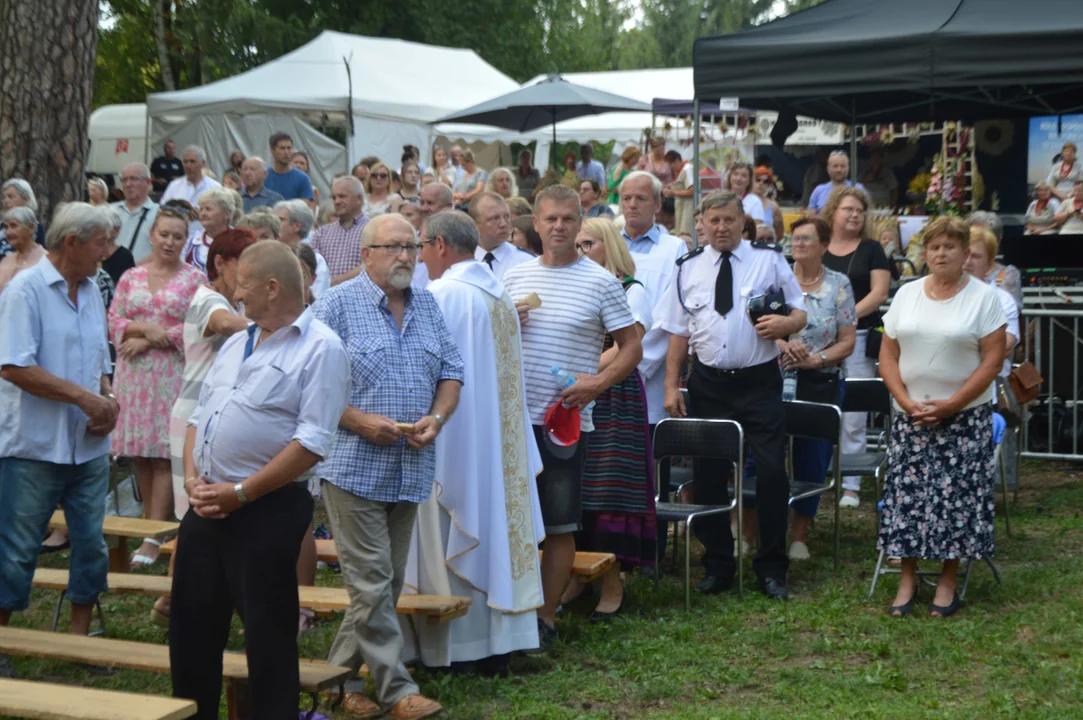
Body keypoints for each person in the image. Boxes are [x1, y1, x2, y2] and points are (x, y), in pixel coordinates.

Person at [170, 240, 349, 719]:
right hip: (207, 503)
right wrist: (192, 479)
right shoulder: (235, 341)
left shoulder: (321, 348)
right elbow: (197, 418)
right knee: (191, 629)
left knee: (268, 635)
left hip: (266, 507)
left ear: (272, 288)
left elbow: (312, 443)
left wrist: (241, 493)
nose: (234, 293)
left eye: (242, 284)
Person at [312, 213, 463, 720]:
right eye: (393, 247)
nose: (405, 256)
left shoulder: (427, 306)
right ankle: (397, 691)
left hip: (410, 463)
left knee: (385, 584)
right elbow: (308, 386)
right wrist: (357, 422)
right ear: (365, 253)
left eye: (412, 247)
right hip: (352, 466)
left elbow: (451, 372)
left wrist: (437, 419)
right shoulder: (335, 305)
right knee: (373, 582)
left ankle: (336, 682)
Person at [403, 210, 544, 676]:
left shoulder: (441, 295)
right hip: (494, 440)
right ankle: (496, 644)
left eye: (422, 246)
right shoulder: (496, 291)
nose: (421, 256)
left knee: (452, 530)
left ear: (441, 245)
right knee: (495, 528)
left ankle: (458, 648)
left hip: (454, 439)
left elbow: (420, 370)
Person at [501, 185, 642, 644]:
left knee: (560, 524)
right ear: (535, 224)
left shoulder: (601, 281)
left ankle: (544, 618)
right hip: (513, 422)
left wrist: (597, 385)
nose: (559, 226)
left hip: (565, 421)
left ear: (580, 224)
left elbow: (632, 347)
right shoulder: (512, 278)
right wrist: (502, 326)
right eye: (550, 219)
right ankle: (510, 614)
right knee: (514, 523)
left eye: (568, 219)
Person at [656, 190, 807, 600]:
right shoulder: (687, 267)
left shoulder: (769, 259)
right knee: (706, 477)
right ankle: (719, 563)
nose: (721, 228)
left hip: (759, 382)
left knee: (773, 473)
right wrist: (672, 385)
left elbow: (800, 311)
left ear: (743, 221)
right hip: (708, 384)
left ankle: (772, 568)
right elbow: (677, 331)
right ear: (701, 223)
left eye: (728, 220)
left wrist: (784, 325)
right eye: (713, 220)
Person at [0, 203, 118, 679]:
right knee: (16, 550)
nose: (107, 253)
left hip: (87, 447)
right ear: (71, 242)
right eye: (100, 244)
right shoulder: (24, 290)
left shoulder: (91, 290)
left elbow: (100, 357)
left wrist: (107, 399)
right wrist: (86, 400)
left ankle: (80, 647)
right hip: (34, 446)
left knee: (91, 546)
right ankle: (2, 645)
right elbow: (13, 365)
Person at [877, 215, 1006, 618]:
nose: (941, 253)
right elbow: (887, 355)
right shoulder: (906, 294)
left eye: (950, 246)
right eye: (934, 247)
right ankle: (907, 579)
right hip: (910, 416)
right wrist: (905, 400)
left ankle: (948, 580)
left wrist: (951, 405)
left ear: (966, 253)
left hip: (964, 417)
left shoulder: (985, 298)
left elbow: (992, 361)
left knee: (955, 501)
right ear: (925, 253)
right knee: (909, 501)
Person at [151, 226, 254, 627]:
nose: (248, 274)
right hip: (195, 415)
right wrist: (282, 322)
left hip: (218, 419)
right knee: (196, 516)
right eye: (243, 264)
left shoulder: (236, 302)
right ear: (221, 263)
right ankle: (175, 600)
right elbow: (225, 324)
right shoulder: (208, 298)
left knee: (208, 515)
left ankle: (179, 601)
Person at [563, 217, 655, 618]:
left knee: (609, 487)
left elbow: (624, 348)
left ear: (610, 246)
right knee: (575, 485)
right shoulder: (574, 287)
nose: (580, 250)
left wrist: (583, 372)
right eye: (578, 244)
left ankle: (612, 581)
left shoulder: (633, 291)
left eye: (588, 243)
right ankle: (574, 576)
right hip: (575, 391)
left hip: (615, 394)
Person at [108, 208, 205, 568]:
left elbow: (198, 327)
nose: (170, 241)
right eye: (164, 234)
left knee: (164, 453)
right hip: (133, 375)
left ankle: (152, 537)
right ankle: (154, 527)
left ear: (186, 240)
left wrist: (151, 339)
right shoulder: (131, 276)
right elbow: (114, 318)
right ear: (152, 235)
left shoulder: (195, 280)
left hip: (170, 372)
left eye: (177, 236)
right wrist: (142, 331)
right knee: (142, 454)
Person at [775, 217, 856, 560]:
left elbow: (847, 340)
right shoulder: (776, 281)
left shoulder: (839, 285)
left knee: (812, 457)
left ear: (824, 245)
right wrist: (782, 345)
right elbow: (757, 325)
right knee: (758, 456)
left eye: (808, 239)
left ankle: (799, 536)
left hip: (820, 380)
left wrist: (816, 359)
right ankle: (749, 531)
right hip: (773, 379)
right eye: (795, 238)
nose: (800, 244)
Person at [820, 186, 890, 507]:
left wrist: (843, 319)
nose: (854, 215)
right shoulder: (819, 248)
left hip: (859, 338)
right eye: (848, 209)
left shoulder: (872, 249)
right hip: (819, 341)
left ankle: (851, 484)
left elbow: (879, 293)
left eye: (860, 211)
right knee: (818, 408)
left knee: (855, 416)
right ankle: (816, 477)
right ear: (832, 212)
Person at [618, 171, 688, 443]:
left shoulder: (674, 248)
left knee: (649, 457)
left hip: (650, 369)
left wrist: (636, 359)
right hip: (606, 368)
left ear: (657, 205)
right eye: (627, 198)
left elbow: (671, 311)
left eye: (641, 198)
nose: (632, 204)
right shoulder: (608, 243)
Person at [964, 226, 1021, 492]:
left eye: (975, 256)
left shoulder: (1002, 299)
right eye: (964, 253)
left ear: (989, 264)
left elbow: (1004, 347)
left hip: (988, 387)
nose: (967, 261)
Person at [310, 176, 369, 285]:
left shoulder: (373, 229)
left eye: (342, 196)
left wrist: (335, 283)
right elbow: (311, 267)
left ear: (359, 199)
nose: (337, 201)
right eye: (334, 197)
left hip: (359, 297)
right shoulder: (322, 232)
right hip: (326, 297)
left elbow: (372, 264)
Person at [966, 211, 1023, 309]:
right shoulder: (958, 266)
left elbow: (1011, 310)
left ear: (997, 242)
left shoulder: (1008, 274)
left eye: (984, 236)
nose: (977, 240)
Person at [470, 192, 532, 282]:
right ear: (474, 224)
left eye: (507, 217)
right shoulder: (460, 262)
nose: (503, 224)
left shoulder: (526, 262)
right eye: (495, 218)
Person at [276, 199, 331, 300]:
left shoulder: (316, 259)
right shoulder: (273, 255)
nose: (275, 224)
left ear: (297, 226)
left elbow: (317, 297)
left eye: (281, 219)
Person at [112, 163, 160, 262]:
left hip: (143, 274)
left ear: (148, 182)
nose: (128, 184)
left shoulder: (159, 214)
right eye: (124, 180)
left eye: (134, 179)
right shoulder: (110, 211)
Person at [181, 188, 236, 275]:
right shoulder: (190, 242)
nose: (203, 213)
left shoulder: (238, 240)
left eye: (208, 209)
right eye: (201, 209)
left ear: (226, 214)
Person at [0, 207, 47, 294]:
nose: (8, 232)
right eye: (6, 227)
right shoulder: (6, 261)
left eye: (13, 226)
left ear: (30, 228)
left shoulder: (45, 261)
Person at [264, 132, 316, 202]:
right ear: (272, 150)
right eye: (282, 148)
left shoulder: (302, 179)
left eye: (289, 148)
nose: (286, 152)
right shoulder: (263, 176)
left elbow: (306, 207)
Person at [0, 178, 46, 256]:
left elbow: (42, 258)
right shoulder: (1, 226)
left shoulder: (35, 227)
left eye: (10, 197)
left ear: (26, 199)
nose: (5, 201)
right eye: (4, 197)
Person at [99, 207, 136, 289]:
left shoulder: (125, 256)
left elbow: (128, 287)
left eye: (104, 226)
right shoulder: (89, 250)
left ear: (116, 230)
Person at [664, 150, 695, 236]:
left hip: (688, 208)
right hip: (682, 208)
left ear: (677, 160)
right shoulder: (681, 171)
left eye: (671, 164)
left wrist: (673, 193)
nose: (671, 167)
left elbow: (692, 190)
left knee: (686, 233)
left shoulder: (687, 169)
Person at [751, 166, 785, 241]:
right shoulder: (743, 202)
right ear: (751, 181)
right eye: (757, 179)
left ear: (768, 185)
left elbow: (779, 234)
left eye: (765, 181)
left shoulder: (773, 207)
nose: (761, 183)